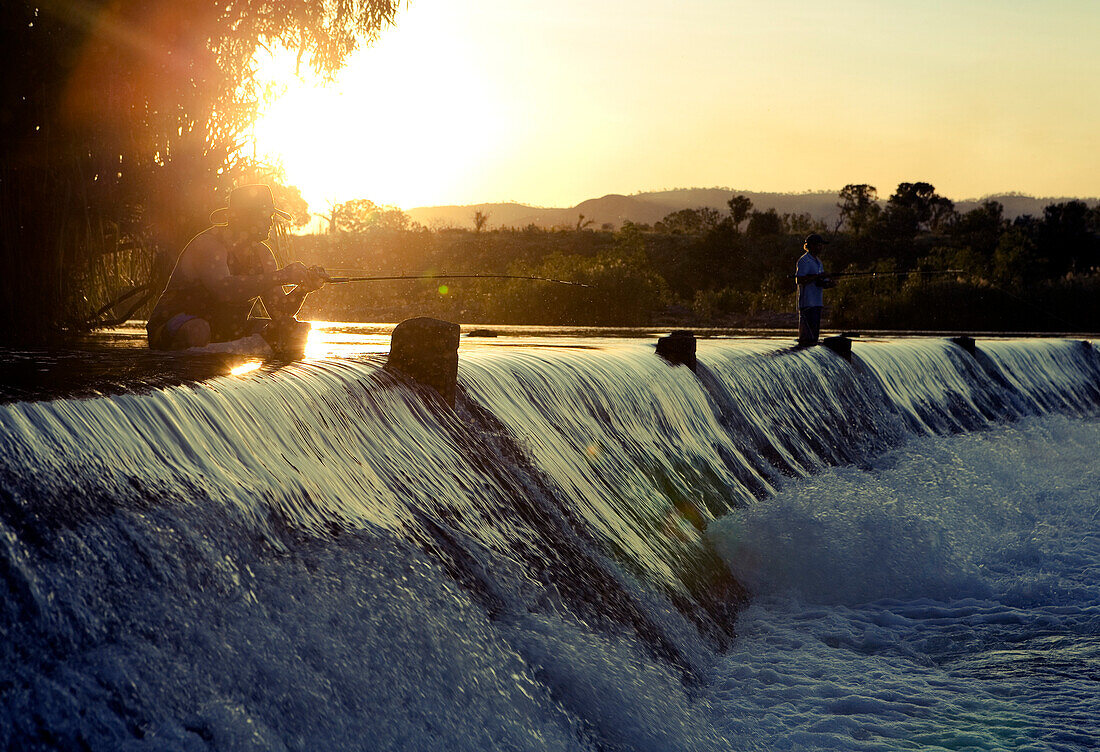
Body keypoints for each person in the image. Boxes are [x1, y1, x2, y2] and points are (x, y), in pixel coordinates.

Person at [146, 184, 327, 357]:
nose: (270, 222)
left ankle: (230, 351)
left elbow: (280, 311)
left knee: (289, 330)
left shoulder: (263, 253)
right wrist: (282, 276)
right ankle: (236, 350)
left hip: (227, 327)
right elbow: (225, 290)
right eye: (265, 216)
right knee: (198, 330)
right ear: (243, 217)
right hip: (178, 325)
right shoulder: (209, 245)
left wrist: (304, 288)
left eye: (271, 216)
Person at [794, 233, 835, 347]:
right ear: (810, 246)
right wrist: (818, 276)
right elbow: (799, 280)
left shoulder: (818, 262)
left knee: (814, 337)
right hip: (807, 304)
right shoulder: (804, 260)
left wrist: (829, 284)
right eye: (818, 245)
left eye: (821, 245)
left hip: (817, 303)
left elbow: (819, 283)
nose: (821, 247)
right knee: (806, 337)